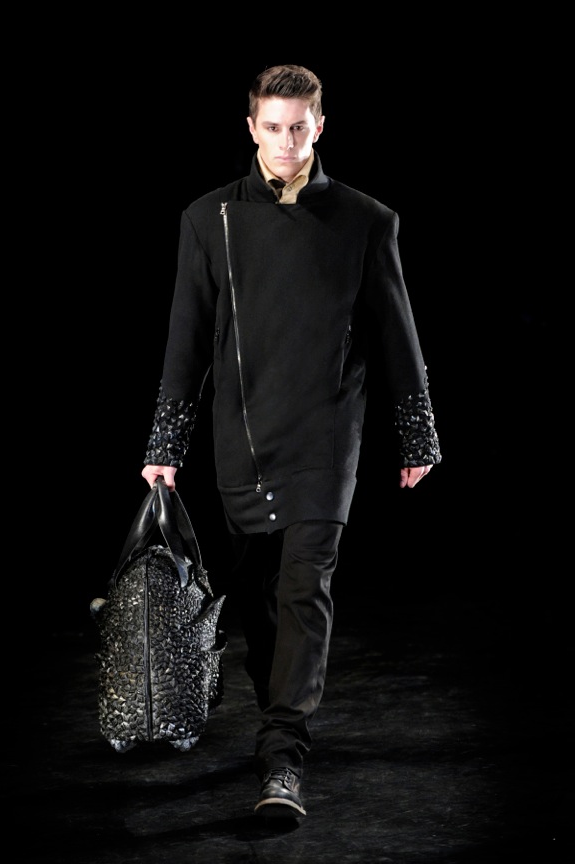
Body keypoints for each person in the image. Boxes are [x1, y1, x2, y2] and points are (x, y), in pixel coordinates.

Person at [141, 64, 442, 821]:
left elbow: (397, 335)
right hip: (242, 435)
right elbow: (186, 339)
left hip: (326, 437)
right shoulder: (208, 219)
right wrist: (165, 443)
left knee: (306, 588)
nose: (285, 142)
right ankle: (280, 715)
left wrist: (416, 431)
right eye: (272, 128)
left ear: (320, 127)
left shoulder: (366, 220)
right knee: (257, 597)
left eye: (298, 128)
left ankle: (282, 756)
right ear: (251, 127)